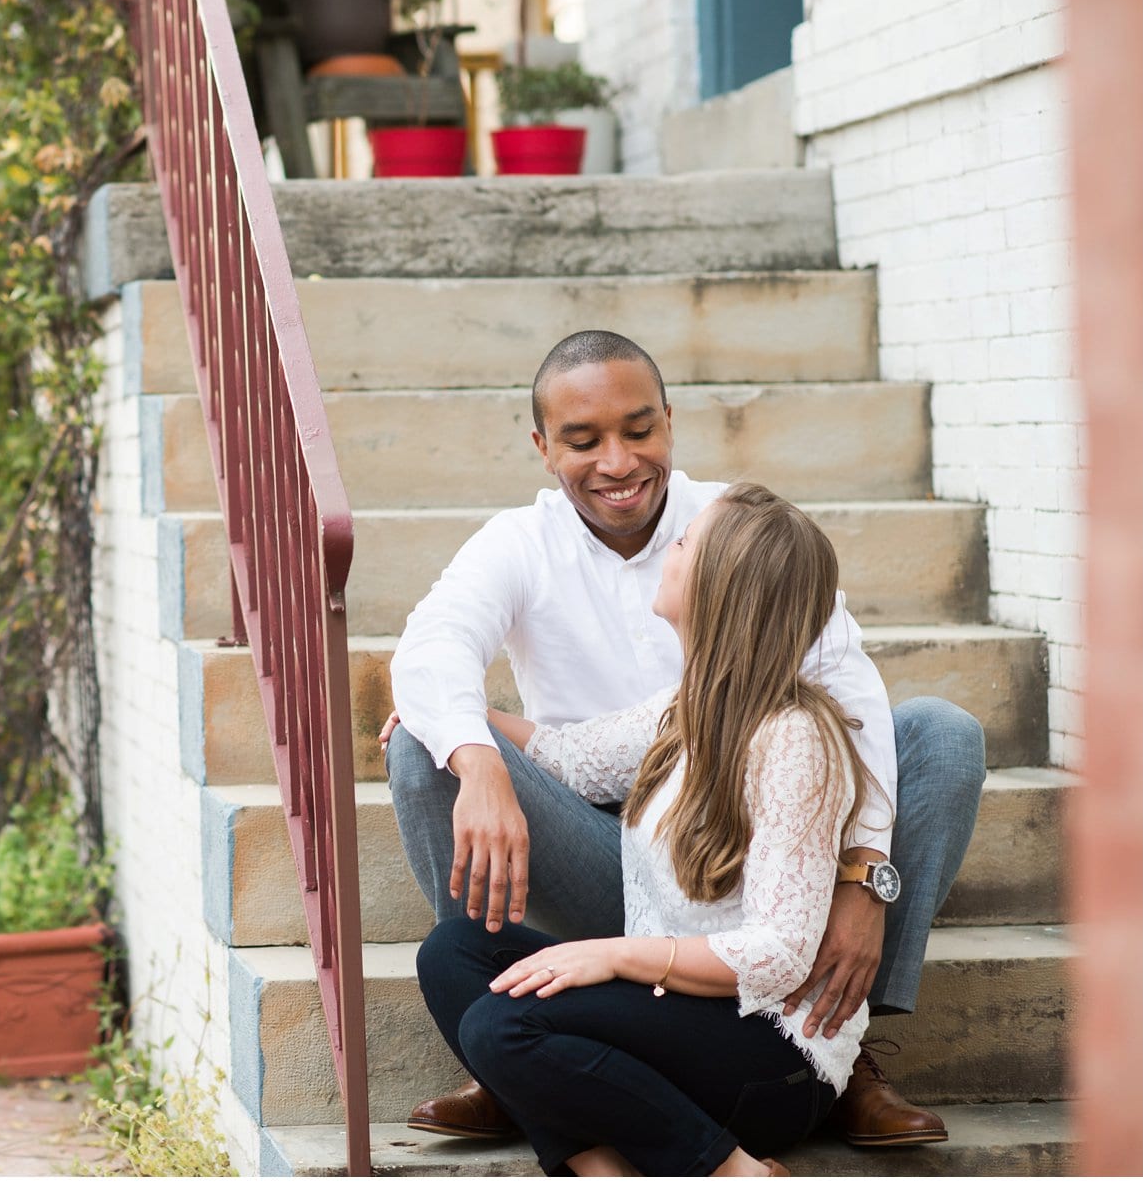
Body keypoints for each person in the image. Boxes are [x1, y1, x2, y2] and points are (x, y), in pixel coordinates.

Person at [386, 331, 985, 1147]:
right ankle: (504, 1049)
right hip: (605, 844)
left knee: (941, 734)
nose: (617, 461)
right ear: (542, 447)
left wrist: (862, 877)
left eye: (639, 429)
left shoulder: (740, 533)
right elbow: (435, 650)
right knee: (425, 746)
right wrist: (471, 746)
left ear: (670, 419)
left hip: (765, 859)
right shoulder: (521, 543)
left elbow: (849, 693)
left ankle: (839, 1046)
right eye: (583, 440)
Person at [415, 482, 879, 1175]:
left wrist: (616, 955)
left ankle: (730, 1167)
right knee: (453, 952)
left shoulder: (793, 737)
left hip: (773, 1056)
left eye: (687, 542)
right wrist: (458, 727)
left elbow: (781, 954)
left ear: (722, 587)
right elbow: (568, 758)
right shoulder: (688, 709)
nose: (670, 547)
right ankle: (599, 1162)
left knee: (501, 1023)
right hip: (678, 1019)